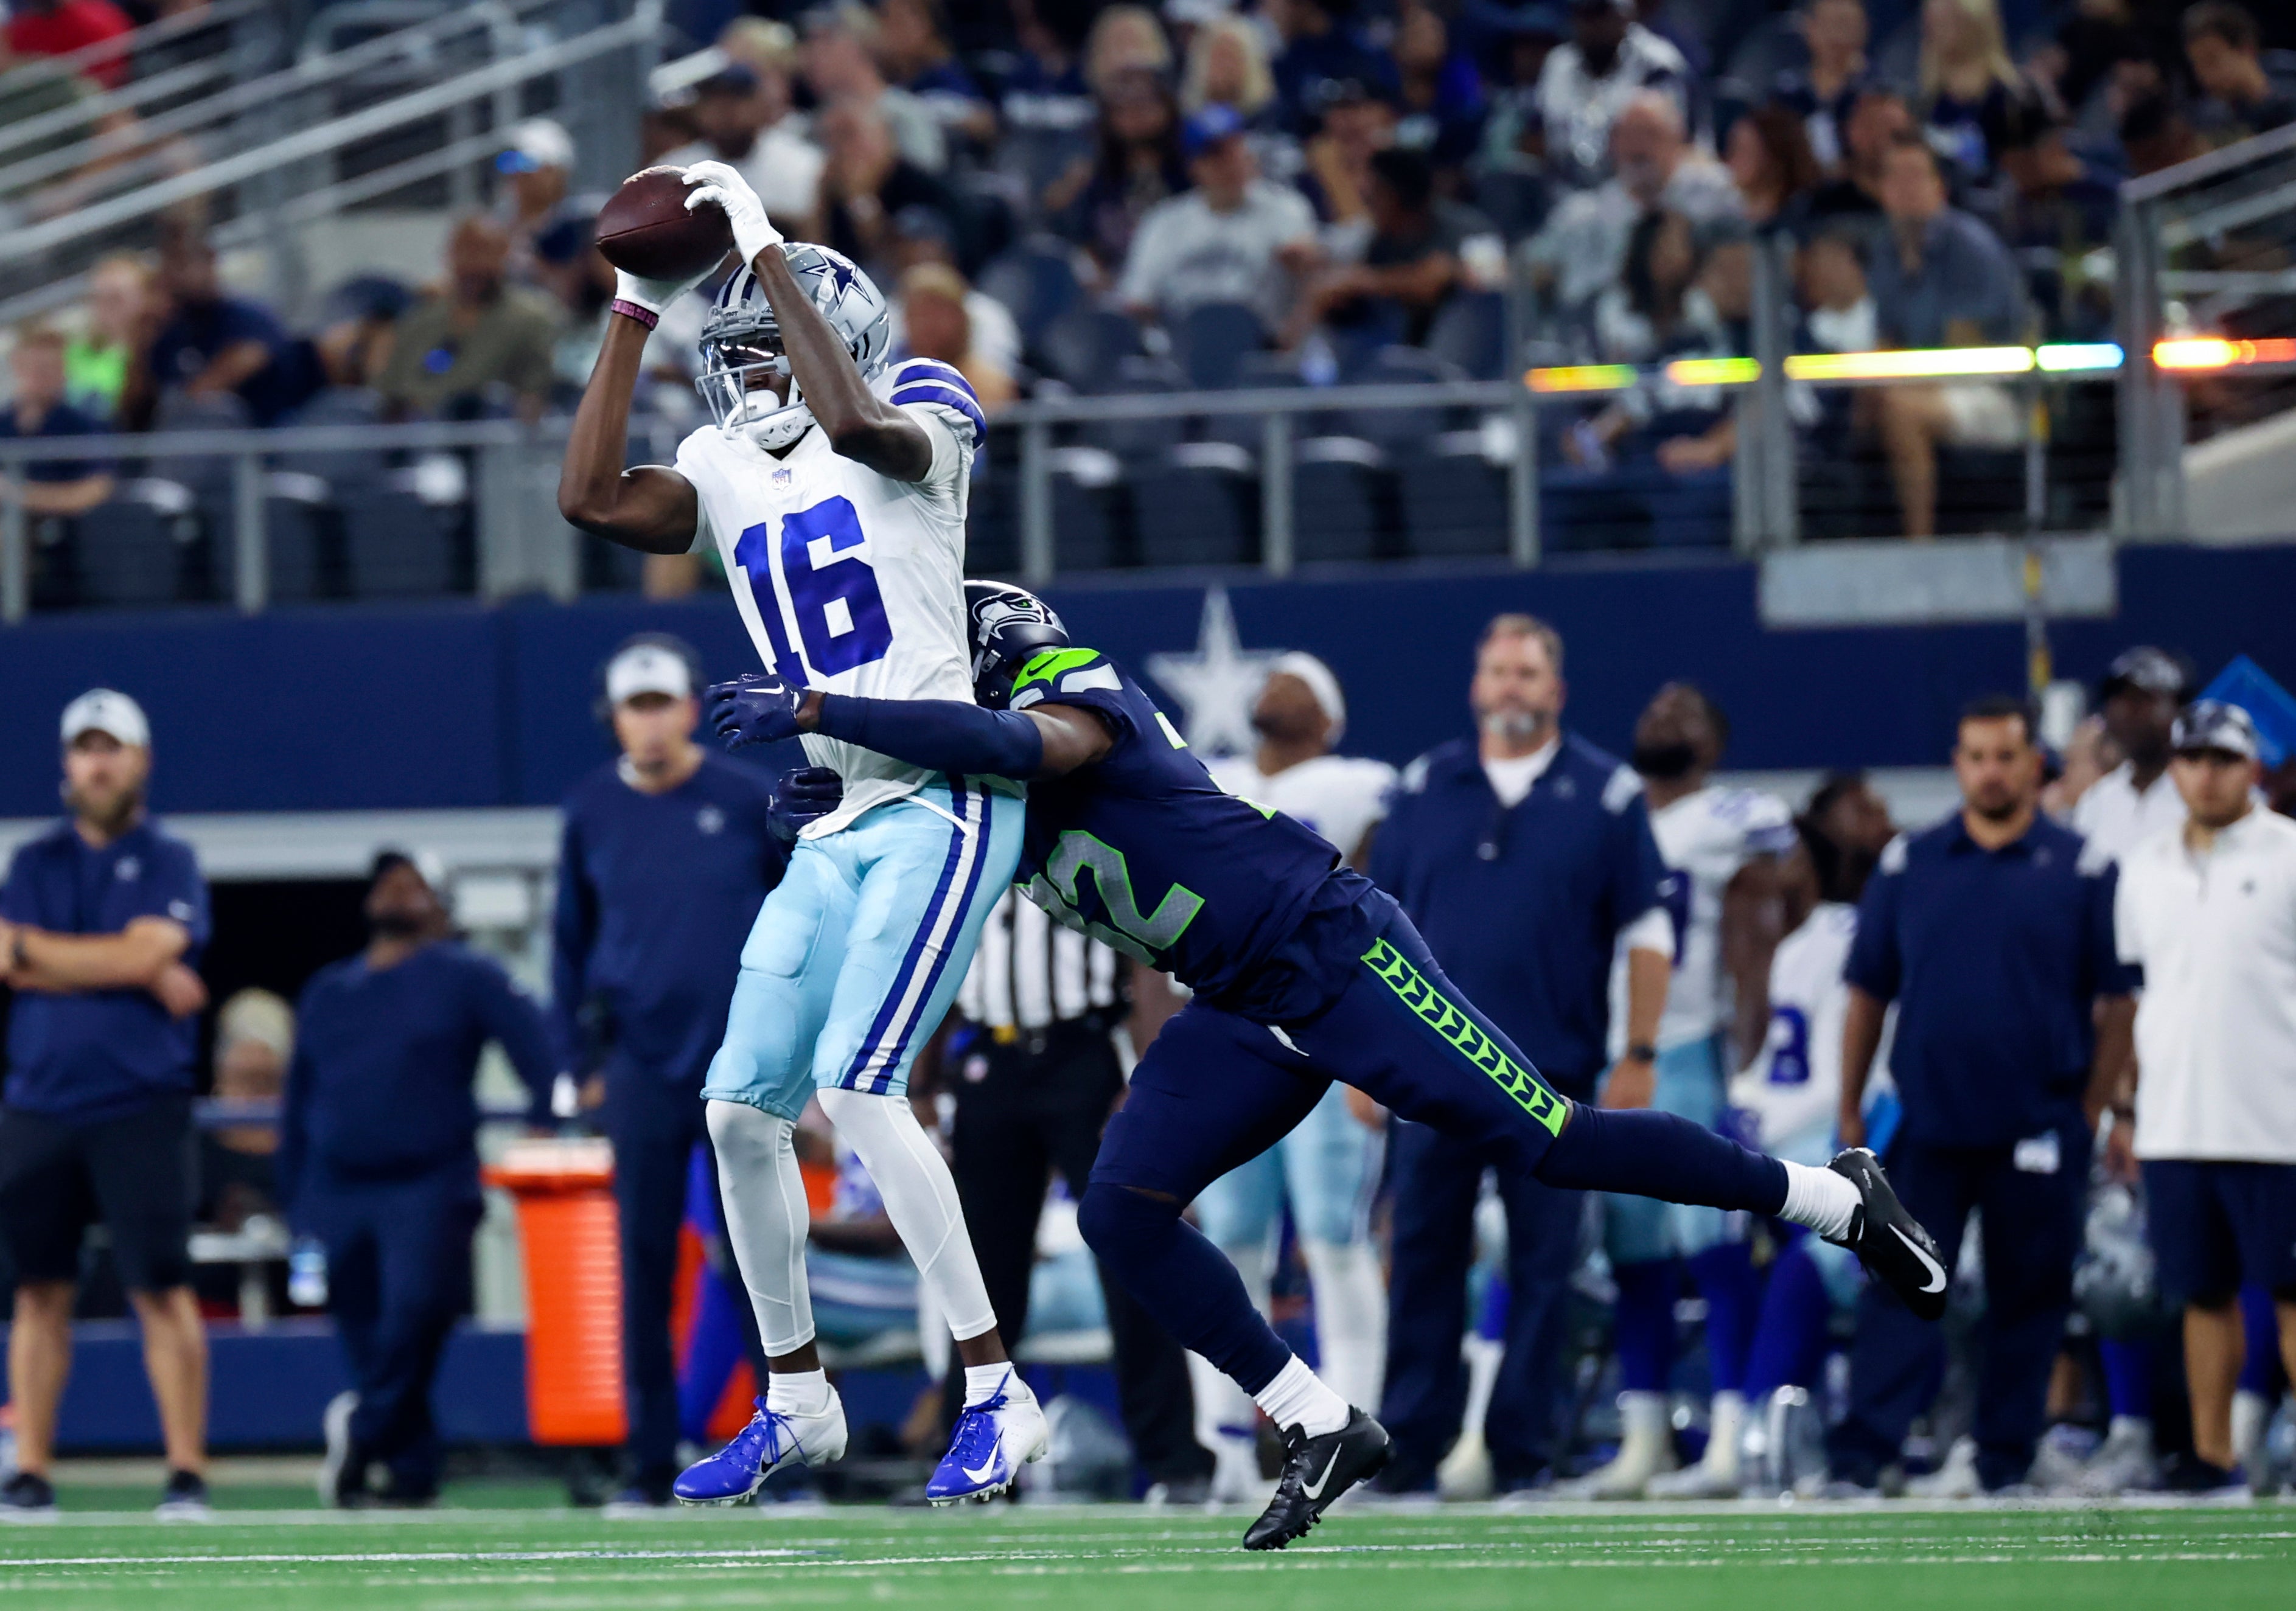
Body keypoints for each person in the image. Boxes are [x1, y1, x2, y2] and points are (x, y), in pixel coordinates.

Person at [699, 581, 1948, 1548]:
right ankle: (1314, 1417)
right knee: (1126, 1208)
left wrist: (825, 710)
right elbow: (890, 824)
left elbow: (1034, 752)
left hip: (1332, 950)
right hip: (1238, 1001)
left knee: (1551, 1144)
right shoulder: (961, 785)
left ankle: (1833, 1197)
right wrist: (832, 802)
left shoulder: (1071, 700)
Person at [557, 161, 1043, 1507]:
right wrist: (632, 307)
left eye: (772, 349)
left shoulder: (924, 406)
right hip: (834, 820)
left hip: (940, 804)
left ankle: (998, 1394)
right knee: (737, 1108)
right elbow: (590, 498)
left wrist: (765, 240)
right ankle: (795, 1397)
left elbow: (854, 417)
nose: (756, 376)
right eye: (739, 357)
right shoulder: (717, 463)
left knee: (861, 1088)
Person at [1367, 614, 1672, 1495]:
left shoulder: (1608, 795)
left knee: (1546, 1269)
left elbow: (1648, 933)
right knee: (1423, 1256)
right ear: (1475, 686)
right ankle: (1412, 1450)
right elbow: (1368, 934)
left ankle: (1523, 1450)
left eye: (1527, 673)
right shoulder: (1423, 789)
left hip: (1552, 1074)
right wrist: (1359, 1057)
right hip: (1428, 1073)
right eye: (1497, 670)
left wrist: (1641, 1052)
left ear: (1556, 691)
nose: (1510, 687)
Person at [1824, 695, 2136, 1497]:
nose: (1990, 772)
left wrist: (2092, 1110)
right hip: (1928, 1122)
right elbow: (1866, 992)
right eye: (1975, 756)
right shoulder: (1909, 863)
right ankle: (1865, 1457)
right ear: (1957, 765)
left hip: (2038, 1122)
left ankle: (2003, 1457)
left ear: (2034, 763)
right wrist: (1851, 1103)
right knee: (1899, 1284)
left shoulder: (2082, 867)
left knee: (2030, 1296)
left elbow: (2118, 1003)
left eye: (2005, 756)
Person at [552, 635, 790, 1509]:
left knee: (757, 1259)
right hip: (641, 1070)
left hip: (742, 1064)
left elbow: (797, 916)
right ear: (614, 716)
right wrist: (577, 1064)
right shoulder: (588, 812)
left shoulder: (742, 799)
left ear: (691, 706)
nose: (649, 720)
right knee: (644, 1267)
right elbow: (568, 950)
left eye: (661, 702)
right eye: (633, 705)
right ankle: (650, 1463)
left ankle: (782, 1449)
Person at [281, 853, 556, 1506]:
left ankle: (364, 1428)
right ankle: (408, 1474)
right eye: (385, 880)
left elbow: (537, 1045)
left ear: (440, 906)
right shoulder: (329, 988)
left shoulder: (465, 974)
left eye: (412, 883)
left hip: (428, 1180)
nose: (395, 891)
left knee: (415, 1317)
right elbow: (299, 1102)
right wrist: (296, 1199)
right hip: (338, 1184)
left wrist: (545, 1118)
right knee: (365, 1334)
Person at [0, 689, 213, 1522]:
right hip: (39, 1104)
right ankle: (32, 1472)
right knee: (36, 1292)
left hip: (140, 1103)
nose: (98, 764)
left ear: (140, 760)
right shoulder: (32, 862)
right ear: (66, 763)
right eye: (85, 749)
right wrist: (129, 964)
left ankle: (187, 1473)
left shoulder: (169, 858)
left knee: (162, 1287)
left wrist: (44, 956)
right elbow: (10, 958)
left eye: (112, 749)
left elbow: (143, 950)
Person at [1192, 655, 1394, 1501]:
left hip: (1325, 1035)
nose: (1277, 681)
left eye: (1303, 677)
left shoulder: (1362, 788)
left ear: (1332, 718)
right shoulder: (1207, 778)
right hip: (1224, 1031)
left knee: (1334, 1243)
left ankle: (1355, 1437)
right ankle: (1224, 1451)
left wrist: (1380, 1054)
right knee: (1222, 1246)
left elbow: (1386, 916)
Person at [944, 889, 1215, 1501]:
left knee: (1129, 1251)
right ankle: (974, 1461)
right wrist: (926, 1078)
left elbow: (1145, 958)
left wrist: (1147, 1077)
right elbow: (938, 956)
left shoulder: (1079, 839)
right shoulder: (965, 835)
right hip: (987, 1055)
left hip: (1082, 1053)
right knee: (979, 1272)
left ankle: (1175, 1462)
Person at [1592, 684, 1795, 1500]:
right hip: (1604, 1053)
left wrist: (1746, 1057)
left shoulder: (1733, 819)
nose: (1660, 716)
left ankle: (1729, 1435)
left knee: (1711, 1248)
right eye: (1651, 709)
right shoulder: (1604, 809)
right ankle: (1644, 1436)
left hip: (1684, 1049)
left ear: (1713, 746)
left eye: (1685, 713)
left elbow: (1769, 923)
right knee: (1632, 1254)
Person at [2110, 700, 2296, 1492]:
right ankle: (2214, 1456)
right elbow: (2132, 996)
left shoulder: (2291, 855)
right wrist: (2123, 1107)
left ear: (2250, 768)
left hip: (2278, 1122)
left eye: (2222, 760)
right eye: (2192, 759)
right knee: (2202, 1294)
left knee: (2293, 1294)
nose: (2206, 774)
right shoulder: (2143, 866)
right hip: (2175, 1122)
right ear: (2176, 768)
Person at [1731, 781, 1899, 1491]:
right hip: (1830, 1149)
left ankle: (1747, 1429)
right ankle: (1753, 1429)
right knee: (1797, 1264)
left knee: (1803, 1265)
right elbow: (1848, 1081)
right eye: (1869, 810)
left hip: (1825, 1151)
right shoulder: (1842, 938)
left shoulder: (1810, 941)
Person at [1863, 137, 2027, 539]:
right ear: (1881, 191)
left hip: (1995, 392)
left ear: (1940, 188)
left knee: (1901, 410)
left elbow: (1962, 354)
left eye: (1916, 176)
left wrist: (1896, 384)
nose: (1907, 188)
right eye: (1896, 178)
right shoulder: (1885, 251)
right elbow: (1887, 339)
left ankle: (1919, 546)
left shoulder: (1969, 247)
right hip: (1924, 384)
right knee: (1863, 403)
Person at [1524, 91, 1740, 319]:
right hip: (1594, 341)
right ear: (1612, 144)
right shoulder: (1585, 213)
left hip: (1699, 339)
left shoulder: (1716, 196)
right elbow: (1528, 268)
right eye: (1628, 134)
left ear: (1678, 140)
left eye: (1650, 133)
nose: (1638, 147)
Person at [1117, 103, 1321, 332]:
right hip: (1182, 352)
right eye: (1215, 154)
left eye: (1235, 148)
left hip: (1260, 350)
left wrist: (1304, 262)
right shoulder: (1164, 222)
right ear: (1194, 166)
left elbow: (1309, 271)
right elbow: (1136, 298)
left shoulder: (1285, 209)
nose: (1230, 162)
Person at [375, 215, 561, 420]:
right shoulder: (420, 319)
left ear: (504, 254)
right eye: (462, 250)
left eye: (483, 250)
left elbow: (535, 397)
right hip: (416, 438)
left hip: (489, 438)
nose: (473, 263)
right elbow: (390, 394)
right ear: (449, 256)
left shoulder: (532, 319)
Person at [139, 232, 317, 428]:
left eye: (185, 264)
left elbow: (248, 359)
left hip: (275, 429)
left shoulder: (251, 316)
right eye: (171, 267)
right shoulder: (171, 335)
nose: (180, 277)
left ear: (210, 261)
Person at [1534, 0, 1693, 190]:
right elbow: (1537, 137)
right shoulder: (1559, 64)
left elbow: (1675, 149)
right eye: (1584, 15)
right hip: (1565, 193)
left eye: (1601, 14)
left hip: (1642, 191)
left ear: (1625, 16)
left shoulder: (1657, 65)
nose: (1592, 25)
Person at [660, 64, 826, 243]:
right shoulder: (674, 170)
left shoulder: (803, 162)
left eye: (737, 99)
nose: (725, 112)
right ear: (697, 110)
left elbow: (813, 238)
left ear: (760, 103)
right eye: (713, 101)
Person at [2074, 648, 2197, 858]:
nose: (2125, 711)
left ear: (2178, 709)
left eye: (2141, 700)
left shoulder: (2206, 795)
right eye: (2118, 699)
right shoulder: (2096, 803)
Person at [0, 323, 116, 521]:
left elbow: (98, 488)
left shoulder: (83, 424)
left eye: (48, 369)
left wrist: (21, 495)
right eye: (34, 369)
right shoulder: (4, 423)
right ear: (17, 365)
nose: (40, 378)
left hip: (65, 536)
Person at [1774, 0, 1873, 170]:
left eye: (1845, 24)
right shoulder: (1787, 94)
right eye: (1829, 25)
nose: (1837, 35)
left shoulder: (1876, 95)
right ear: (1809, 27)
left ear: (1863, 28)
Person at [2184, 3, 2296, 143]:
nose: (2205, 77)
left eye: (2212, 61)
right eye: (2197, 66)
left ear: (2245, 48)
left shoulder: (2290, 76)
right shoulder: (2213, 121)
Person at [67, 254, 152, 422]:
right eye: (98, 298)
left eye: (116, 298)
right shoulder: (73, 353)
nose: (106, 307)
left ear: (145, 298)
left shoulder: (154, 353)